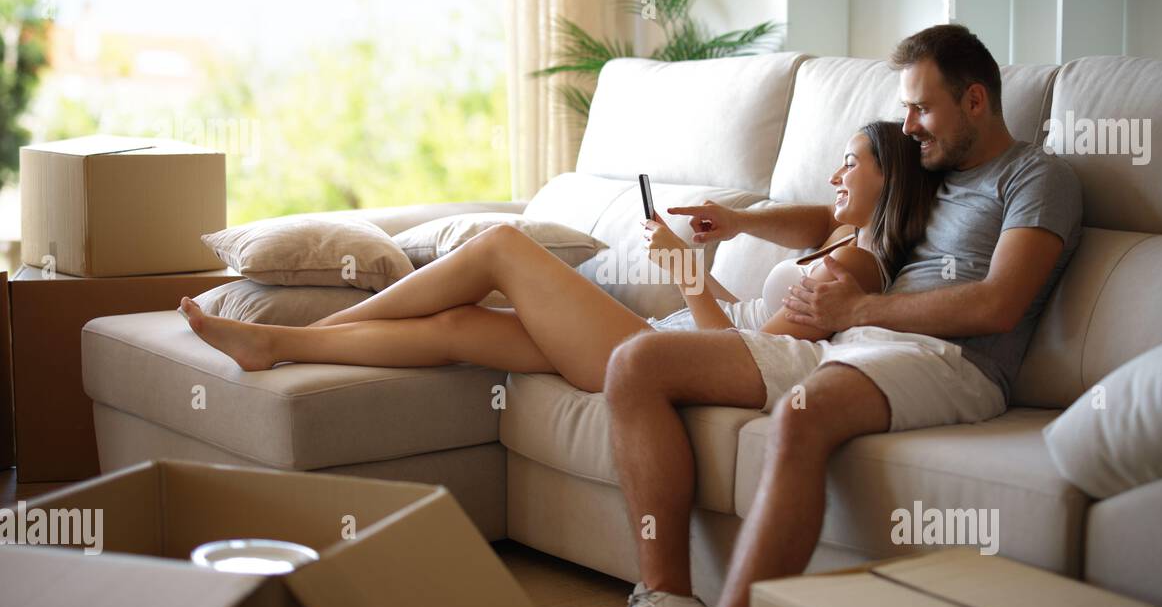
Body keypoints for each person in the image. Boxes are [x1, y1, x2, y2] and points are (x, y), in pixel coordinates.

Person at [583, 23, 1083, 607]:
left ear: (975, 101)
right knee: (637, 363)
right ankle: (668, 600)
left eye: (922, 108)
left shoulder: (1035, 177)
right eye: (905, 109)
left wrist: (859, 308)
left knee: (801, 413)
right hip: (859, 340)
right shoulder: (931, 171)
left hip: (953, 359)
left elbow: (998, 304)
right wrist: (739, 219)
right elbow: (830, 215)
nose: (908, 126)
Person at [178, 123, 933, 408]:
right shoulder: (838, 242)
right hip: (670, 332)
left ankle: (326, 325)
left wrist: (685, 271)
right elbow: (757, 302)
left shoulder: (858, 270)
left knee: (504, 247)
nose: (836, 177)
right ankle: (277, 343)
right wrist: (727, 228)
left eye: (850, 164)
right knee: (459, 326)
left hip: (671, 354)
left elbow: (752, 352)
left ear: (889, 178)